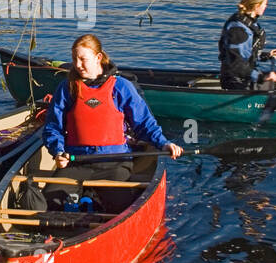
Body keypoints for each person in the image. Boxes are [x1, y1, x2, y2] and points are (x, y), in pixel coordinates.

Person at [44, 34, 183, 176]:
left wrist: (164, 143)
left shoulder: (121, 86)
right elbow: (53, 127)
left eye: (83, 59)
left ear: (98, 58)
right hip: (77, 160)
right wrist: (58, 152)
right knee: (51, 197)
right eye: (74, 59)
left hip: (116, 161)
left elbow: (143, 123)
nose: (77, 65)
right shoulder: (67, 88)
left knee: (119, 197)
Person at [218, 0, 276, 91]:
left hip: (245, 78)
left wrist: (266, 55)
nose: (266, 7)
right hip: (236, 82)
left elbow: (246, 52)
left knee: (272, 85)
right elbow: (236, 63)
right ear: (256, 6)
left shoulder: (249, 23)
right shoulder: (238, 29)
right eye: (265, 4)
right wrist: (262, 77)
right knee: (270, 86)